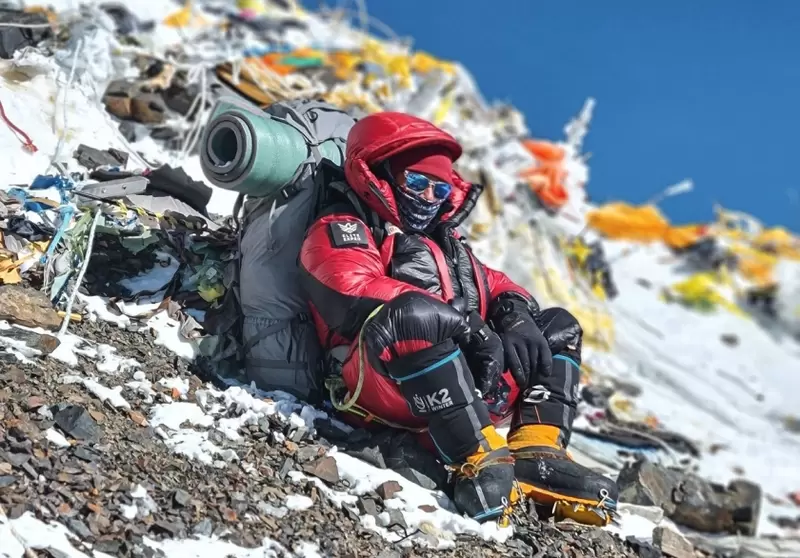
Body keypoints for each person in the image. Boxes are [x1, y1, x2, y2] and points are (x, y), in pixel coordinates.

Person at [299, 112, 617, 522]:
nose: (429, 197)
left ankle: (536, 452)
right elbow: (351, 288)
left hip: (464, 384)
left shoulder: (443, 241)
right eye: (417, 183)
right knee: (414, 316)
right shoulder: (343, 225)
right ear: (379, 173)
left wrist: (513, 313)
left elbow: (495, 283)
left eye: (440, 188)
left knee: (558, 326)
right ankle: (475, 462)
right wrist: (465, 327)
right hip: (376, 386)